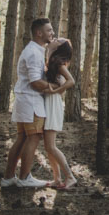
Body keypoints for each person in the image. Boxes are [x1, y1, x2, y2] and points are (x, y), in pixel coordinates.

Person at [0, 17, 53, 188]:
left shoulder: (33, 50)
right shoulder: (34, 53)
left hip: (25, 100)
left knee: (22, 138)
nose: (52, 33)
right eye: (49, 30)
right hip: (31, 101)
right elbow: (35, 82)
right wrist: (56, 87)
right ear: (39, 33)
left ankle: (9, 178)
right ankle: (24, 178)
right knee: (34, 137)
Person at [43, 38, 77, 189]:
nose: (55, 38)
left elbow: (71, 81)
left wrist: (56, 91)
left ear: (59, 48)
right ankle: (57, 179)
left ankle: (70, 177)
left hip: (52, 104)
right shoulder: (52, 61)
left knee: (51, 146)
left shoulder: (58, 63)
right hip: (48, 103)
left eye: (58, 40)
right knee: (48, 146)